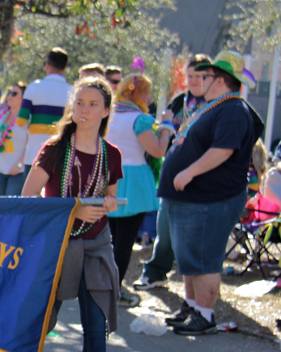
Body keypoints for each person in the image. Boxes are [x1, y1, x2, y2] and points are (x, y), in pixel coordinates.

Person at [18, 77, 124, 352]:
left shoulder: (113, 154)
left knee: (96, 323)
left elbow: (109, 196)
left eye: (93, 104)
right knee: (47, 316)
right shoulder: (54, 148)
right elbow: (27, 200)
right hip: (58, 245)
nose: (84, 109)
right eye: (79, 102)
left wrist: (106, 204)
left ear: (106, 110)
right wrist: (72, 210)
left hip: (96, 245)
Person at [158, 50, 262, 335]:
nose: (197, 80)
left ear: (218, 79)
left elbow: (223, 149)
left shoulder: (232, 109)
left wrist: (189, 171)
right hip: (191, 198)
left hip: (211, 198)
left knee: (204, 259)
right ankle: (191, 307)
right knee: (190, 258)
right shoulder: (215, 106)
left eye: (204, 75)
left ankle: (204, 314)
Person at [134, 55, 210, 291]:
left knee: (197, 235)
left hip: (202, 177)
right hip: (172, 173)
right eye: (190, 76)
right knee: (165, 227)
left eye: (200, 76)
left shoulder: (215, 103)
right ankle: (156, 271)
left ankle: (198, 287)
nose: (195, 81)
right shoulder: (178, 101)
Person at [105, 69, 168, 307]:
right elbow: (158, 151)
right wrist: (166, 128)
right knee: (124, 242)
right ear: (139, 94)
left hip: (110, 178)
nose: (150, 98)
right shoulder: (141, 120)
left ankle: (103, 287)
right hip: (134, 183)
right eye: (147, 93)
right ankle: (114, 291)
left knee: (109, 238)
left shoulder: (109, 115)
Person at [16, 48, 73, 185]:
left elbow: (21, 121)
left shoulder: (34, 87)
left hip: (34, 154)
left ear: (47, 65)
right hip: (61, 155)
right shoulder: (72, 91)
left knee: (30, 201)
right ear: (64, 68)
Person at [0, 82, 29, 196]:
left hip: (18, 172)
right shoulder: (1, 115)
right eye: (9, 93)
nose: (10, 96)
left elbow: (31, 144)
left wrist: (19, 165)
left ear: (24, 98)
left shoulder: (27, 118)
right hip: (0, 170)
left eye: (14, 93)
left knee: (12, 207)